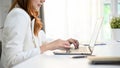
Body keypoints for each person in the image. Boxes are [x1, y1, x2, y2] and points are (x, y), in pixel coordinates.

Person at [1, 0, 79, 68]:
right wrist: (48, 47)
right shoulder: (19, 15)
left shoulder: (29, 16)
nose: (43, 0)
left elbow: (42, 40)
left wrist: (63, 43)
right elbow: (11, 61)